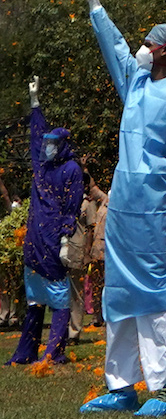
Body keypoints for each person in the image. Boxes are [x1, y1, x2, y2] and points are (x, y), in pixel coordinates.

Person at [79, 0, 166, 417]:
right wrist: (94, 0)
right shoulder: (133, 83)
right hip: (123, 203)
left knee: (156, 288)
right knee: (118, 290)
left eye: (150, 41)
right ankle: (121, 385)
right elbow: (112, 45)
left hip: (152, 204)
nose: (142, 47)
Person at [5, 76, 84, 366]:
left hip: (53, 241)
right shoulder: (41, 167)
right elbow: (36, 134)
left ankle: (54, 352)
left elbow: (72, 207)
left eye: (53, 144)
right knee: (34, 300)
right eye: (46, 145)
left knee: (59, 298)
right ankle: (26, 352)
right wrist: (35, 101)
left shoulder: (72, 169)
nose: (46, 148)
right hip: (34, 242)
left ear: (62, 146)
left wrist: (65, 239)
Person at [66, 172, 97, 345]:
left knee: (76, 293)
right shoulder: (66, 200)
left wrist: (87, 254)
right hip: (64, 249)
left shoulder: (88, 203)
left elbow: (91, 229)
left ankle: (74, 332)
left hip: (78, 250)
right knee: (63, 291)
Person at [82, 176, 108, 328]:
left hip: (109, 251)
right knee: (96, 285)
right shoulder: (105, 201)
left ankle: (107, 315)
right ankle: (97, 316)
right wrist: (84, 170)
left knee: (108, 284)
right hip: (96, 250)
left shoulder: (119, 204)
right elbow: (94, 188)